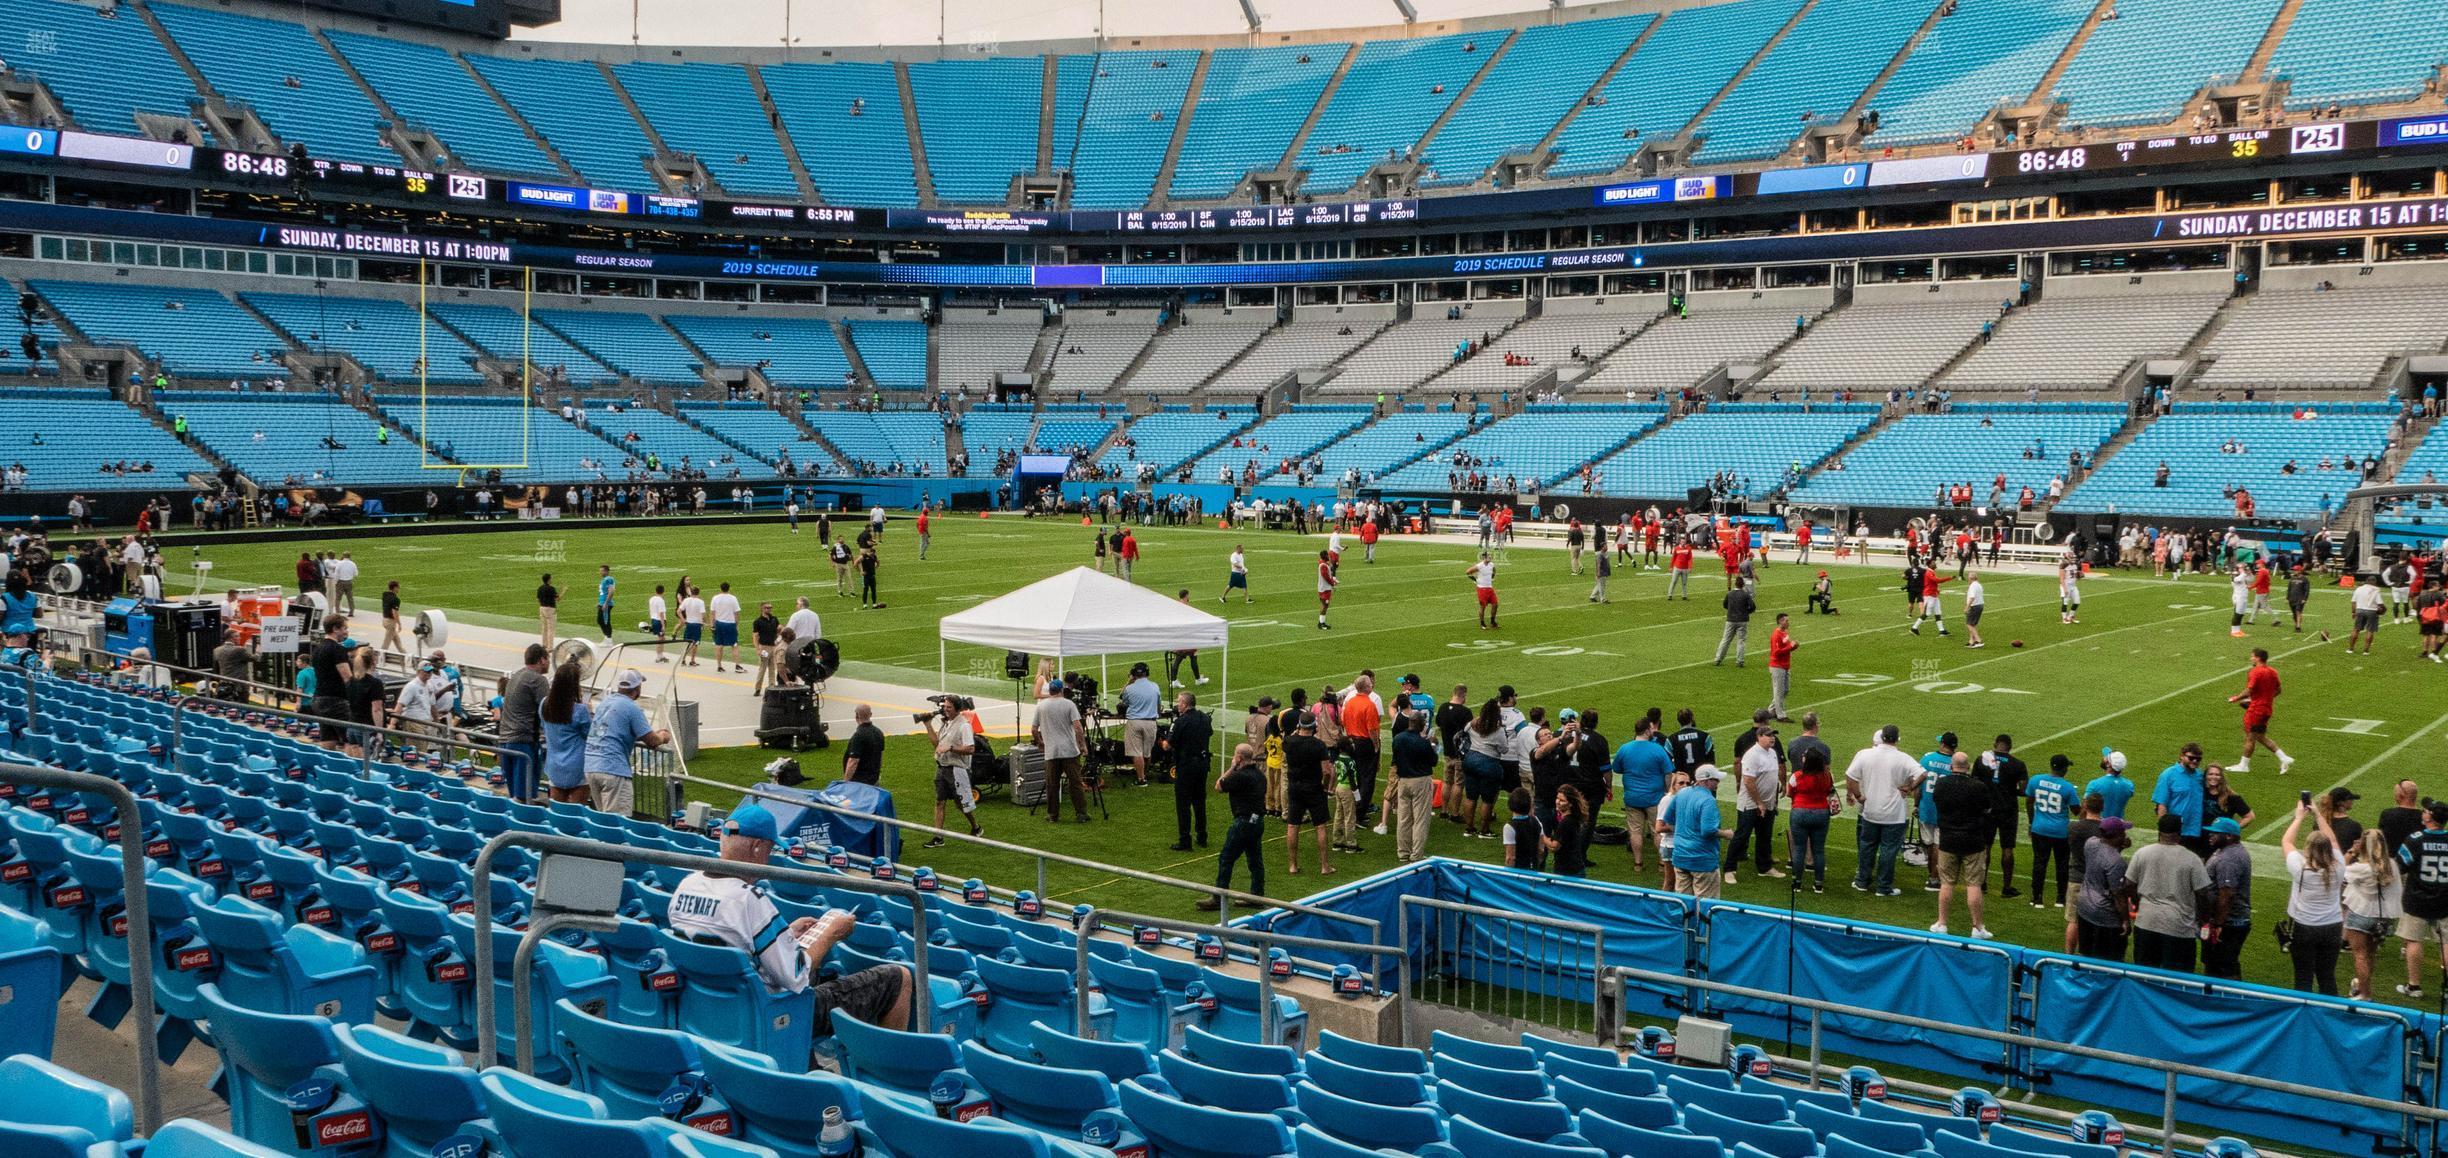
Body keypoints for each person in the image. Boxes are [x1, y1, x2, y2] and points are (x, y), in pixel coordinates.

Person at [669, 802, 914, 1037]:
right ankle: (886, 1072)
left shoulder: (687, 885)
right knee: (898, 977)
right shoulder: (749, 900)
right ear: (756, 847)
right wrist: (831, 934)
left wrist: (784, 933)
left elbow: (732, 941)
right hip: (772, 1012)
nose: (769, 856)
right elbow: (797, 978)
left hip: (713, 1004)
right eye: (769, 848)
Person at [2127, 814, 2211, 972]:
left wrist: (2137, 902)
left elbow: (2129, 883)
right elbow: (2203, 893)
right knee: (2177, 978)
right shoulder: (2191, 859)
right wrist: (2203, 918)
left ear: (2159, 831)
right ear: (2180, 832)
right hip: (2178, 926)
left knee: (2144, 975)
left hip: (2146, 921)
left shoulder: (2142, 853)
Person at [1845, 725, 1923, 896]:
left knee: (1867, 847)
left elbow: (1850, 776)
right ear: (1896, 739)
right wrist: (1909, 787)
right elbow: (1922, 774)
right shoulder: (1903, 758)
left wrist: (1858, 796)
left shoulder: (1864, 754)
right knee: (1888, 850)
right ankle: (1883, 887)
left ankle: (1862, 881)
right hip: (1894, 814)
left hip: (1870, 810)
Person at [583, 669, 671, 817]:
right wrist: (662, 736)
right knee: (617, 823)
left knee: (604, 820)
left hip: (591, 766)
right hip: (612, 769)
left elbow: (614, 732)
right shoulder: (632, 707)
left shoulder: (605, 703)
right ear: (637, 688)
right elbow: (652, 740)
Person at [2282, 800, 2346, 994]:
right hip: (2333, 926)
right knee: (2327, 975)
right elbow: (2333, 840)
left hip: (2305, 926)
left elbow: (2286, 841)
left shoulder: (2300, 868)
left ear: (2308, 849)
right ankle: (2330, 1015)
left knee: (2303, 976)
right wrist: (2318, 815)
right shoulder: (2339, 866)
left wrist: (2299, 817)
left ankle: (2303, 1018)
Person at [1931, 752, 1996, 939]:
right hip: (1973, 838)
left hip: (1948, 837)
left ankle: (1942, 923)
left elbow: (1938, 803)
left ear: (1952, 766)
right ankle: (1977, 926)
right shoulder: (1978, 786)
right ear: (1967, 767)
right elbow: (1987, 808)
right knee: (1974, 884)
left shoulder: (1942, 784)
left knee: (1946, 883)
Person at [1200, 744, 1268, 909]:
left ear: (1239, 758)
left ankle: (1218, 898)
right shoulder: (1260, 775)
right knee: (1255, 860)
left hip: (1243, 822)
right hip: (1257, 821)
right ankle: (1257, 896)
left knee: (1226, 858)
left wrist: (1231, 768)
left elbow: (1219, 786)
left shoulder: (1240, 776)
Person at [2397, 801, 2448, 998]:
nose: (2423, 812)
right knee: (2445, 942)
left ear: (2430, 818)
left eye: (2426, 811)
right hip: (2445, 899)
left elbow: (2400, 866)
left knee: (2413, 940)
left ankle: (2414, 986)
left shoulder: (2416, 839)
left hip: (2417, 899)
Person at [2345, 828, 2403, 1001]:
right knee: (2370, 954)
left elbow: (2341, 872)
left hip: (2361, 914)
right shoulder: (2392, 864)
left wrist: (2350, 853)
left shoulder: (2360, 868)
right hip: (2382, 918)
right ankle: (2362, 987)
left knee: (2360, 955)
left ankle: (2365, 994)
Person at [1724, 718, 1784, 884]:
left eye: (1773, 735)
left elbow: (1771, 775)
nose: (1772, 738)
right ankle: (1729, 868)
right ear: (1759, 737)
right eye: (1769, 735)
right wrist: (1759, 802)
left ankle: (1765, 867)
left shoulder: (1771, 753)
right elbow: (1749, 781)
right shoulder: (1751, 755)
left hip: (1768, 802)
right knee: (1742, 835)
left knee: (1765, 836)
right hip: (1751, 803)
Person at [1612, 717, 1671, 875]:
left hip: (1632, 797)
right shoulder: (1657, 749)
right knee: (1657, 831)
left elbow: (1616, 768)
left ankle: (1638, 862)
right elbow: (1667, 773)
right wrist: (1667, 792)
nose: (1653, 732)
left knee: (1635, 831)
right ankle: (1661, 863)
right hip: (1654, 797)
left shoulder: (1625, 748)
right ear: (1646, 731)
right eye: (1651, 729)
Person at [2073, 817, 2135, 961]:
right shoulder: (2117, 862)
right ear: (2118, 835)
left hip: (2084, 906)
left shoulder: (2090, 843)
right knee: (2110, 961)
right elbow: (2118, 896)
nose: (2125, 834)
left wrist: (2118, 847)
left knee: (2086, 955)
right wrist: (2125, 921)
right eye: (2123, 832)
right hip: (2105, 916)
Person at [1664, 764, 1730, 898]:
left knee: (1683, 904)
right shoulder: (1708, 800)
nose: (1718, 783)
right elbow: (1708, 830)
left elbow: (1668, 819)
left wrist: (1683, 832)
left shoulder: (1682, 793)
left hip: (1680, 856)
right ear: (1706, 781)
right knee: (1705, 906)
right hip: (1702, 859)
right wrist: (1726, 834)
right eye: (1715, 780)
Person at [1032, 679, 1092, 823]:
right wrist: (1083, 746)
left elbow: (1034, 729)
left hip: (1051, 752)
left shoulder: (1042, 707)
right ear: (1062, 690)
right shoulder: (1069, 704)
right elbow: (1078, 727)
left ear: (1050, 691)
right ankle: (1081, 813)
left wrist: (1041, 743)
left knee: (1052, 785)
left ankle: (1053, 815)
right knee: (1075, 783)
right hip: (1069, 751)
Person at [924, 695, 981, 845]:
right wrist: (928, 725)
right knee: (939, 802)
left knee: (962, 804)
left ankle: (975, 827)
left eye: (949, 707)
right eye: (944, 707)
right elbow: (937, 744)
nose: (945, 709)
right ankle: (938, 837)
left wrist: (951, 748)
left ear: (957, 708)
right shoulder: (946, 724)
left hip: (957, 770)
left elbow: (970, 749)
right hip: (942, 768)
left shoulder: (964, 726)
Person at [1283, 710, 1334, 877]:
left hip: (1295, 786)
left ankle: (1292, 865)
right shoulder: (1318, 745)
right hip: (1314, 787)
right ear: (1314, 726)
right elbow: (1326, 771)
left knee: (1292, 825)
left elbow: (1289, 736)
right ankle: (1325, 866)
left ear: (1299, 726)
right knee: (1320, 826)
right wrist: (1326, 787)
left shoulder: (1289, 742)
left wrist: (1297, 729)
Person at [2226, 647, 2293, 774]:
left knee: (2250, 737)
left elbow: (2249, 690)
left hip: (2256, 709)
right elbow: (2278, 690)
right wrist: (2266, 698)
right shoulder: (2273, 671)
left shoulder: (2255, 672)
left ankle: (2243, 766)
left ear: (2257, 658)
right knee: (2260, 736)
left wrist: (2236, 698)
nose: (2251, 658)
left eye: (2252, 656)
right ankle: (2283, 757)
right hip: (2267, 709)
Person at [2201, 816, 2253, 979]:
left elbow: (2227, 893)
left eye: (2215, 833)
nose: (2210, 836)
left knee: (2224, 965)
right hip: (2227, 921)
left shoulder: (2229, 859)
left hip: (2228, 924)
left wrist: (2218, 923)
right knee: (2216, 963)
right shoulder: (2225, 851)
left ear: (2229, 836)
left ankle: (2229, 1000)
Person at [2027, 754, 2080, 907]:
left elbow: (2029, 802)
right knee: (2062, 865)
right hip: (2061, 832)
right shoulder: (2067, 787)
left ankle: (2037, 898)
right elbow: (2076, 810)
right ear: (2064, 769)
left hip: (2039, 828)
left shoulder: (2036, 780)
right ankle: (2060, 899)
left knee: (2039, 862)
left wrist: (2032, 822)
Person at [499, 643, 549, 804]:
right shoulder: (538, 680)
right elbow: (547, 711)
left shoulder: (516, 676)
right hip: (523, 743)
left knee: (515, 796)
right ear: (542, 660)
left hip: (505, 742)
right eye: (547, 659)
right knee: (524, 798)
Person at [538, 660, 592, 805]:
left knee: (558, 813)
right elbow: (590, 735)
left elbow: (544, 725)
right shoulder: (580, 710)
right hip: (577, 768)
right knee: (576, 815)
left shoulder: (545, 704)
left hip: (554, 766)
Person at [1165, 692, 1213, 851]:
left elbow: (1168, 745)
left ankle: (1185, 839)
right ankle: (1202, 835)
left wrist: (1163, 741)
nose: (1178, 705)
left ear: (1185, 704)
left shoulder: (1181, 722)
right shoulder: (1204, 718)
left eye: (1179, 702)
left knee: (1183, 803)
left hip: (1186, 766)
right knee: (1199, 801)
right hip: (1202, 763)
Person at [1389, 712, 1438, 862]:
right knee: (1420, 819)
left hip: (1403, 780)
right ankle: (1416, 854)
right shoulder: (1423, 742)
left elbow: (1396, 758)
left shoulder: (1398, 739)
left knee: (1403, 818)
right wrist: (1433, 745)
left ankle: (1403, 852)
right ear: (1422, 725)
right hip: (1420, 781)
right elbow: (1433, 761)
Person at [305, 613, 354, 750]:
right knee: (352, 740)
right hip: (336, 701)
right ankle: (356, 771)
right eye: (344, 628)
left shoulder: (318, 649)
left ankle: (327, 769)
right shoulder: (337, 649)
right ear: (335, 629)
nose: (346, 632)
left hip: (318, 699)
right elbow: (347, 678)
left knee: (328, 739)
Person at [2151, 742, 2207, 852]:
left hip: (2195, 830)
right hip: (2175, 831)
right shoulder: (2168, 775)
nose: (2195, 761)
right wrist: (2164, 831)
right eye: (2191, 758)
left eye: (2198, 759)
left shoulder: (2200, 776)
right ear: (2182, 756)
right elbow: (2161, 805)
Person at [1118, 662, 1163, 787]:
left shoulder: (1130, 688)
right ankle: (1144, 773)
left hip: (1135, 721)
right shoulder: (1155, 686)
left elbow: (1122, 700)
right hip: (1151, 722)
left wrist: (1129, 682)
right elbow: (1158, 705)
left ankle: (1141, 778)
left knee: (1136, 752)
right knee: (1147, 752)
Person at [1546, 785, 1593, 876]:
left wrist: (1542, 836)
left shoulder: (1566, 822)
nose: (1557, 802)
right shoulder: (1573, 818)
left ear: (1571, 804)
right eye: (1557, 798)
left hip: (1568, 871)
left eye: (1562, 800)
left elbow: (1554, 847)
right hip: (1574, 868)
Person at [841, 704, 885, 785]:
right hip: (873, 779)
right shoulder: (879, 733)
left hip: (859, 782)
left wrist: (846, 782)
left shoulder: (858, 736)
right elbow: (880, 757)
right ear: (871, 715)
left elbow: (853, 761)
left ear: (856, 716)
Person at [1714, 578, 1755, 666]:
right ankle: (1740, 661)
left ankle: (1718, 659)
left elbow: (1725, 605)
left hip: (1730, 620)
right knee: (1741, 641)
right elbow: (1752, 606)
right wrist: (1747, 612)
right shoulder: (1745, 594)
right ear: (1743, 585)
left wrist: (1731, 610)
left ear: (1735, 584)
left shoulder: (1729, 594)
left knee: (1725, 640)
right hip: (1743, 620)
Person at [2086, 749, 2136, 820]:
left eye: (2106, 757)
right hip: (2119, 827)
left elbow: (2085, 808)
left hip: (2100, 826)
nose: (2104, 757)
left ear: (2109, 764)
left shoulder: (2094, 784)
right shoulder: (2129, 785)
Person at [1766, 613, 1796, 721]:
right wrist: (1790, 646)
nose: (1788, 622)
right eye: (1786, 621)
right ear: (1780, 621)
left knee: (1785, 690)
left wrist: (1793, 647)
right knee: (1779, 690)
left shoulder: (1784, 633)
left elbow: (1786, 648)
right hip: (1777, 666)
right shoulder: (1776, 635)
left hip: (1785, 665)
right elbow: (1776, 652)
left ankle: (1771, 710)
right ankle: (1781, 715)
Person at [709, 582, 743, 673]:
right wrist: (736, 625)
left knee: (719, 645)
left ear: (721, 588)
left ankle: (719, 666)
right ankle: (737, 665)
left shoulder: (715, 598)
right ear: (729, 588)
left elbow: (712, 613)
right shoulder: (733, 598)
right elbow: (737, 613)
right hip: (730, 623)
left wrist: (712, 624)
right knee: (734, 645)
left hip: (719, 623)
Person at [750, 602, 782, 694]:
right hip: (764, 647)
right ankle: (758, 688)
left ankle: (771, 687)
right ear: (762, 609)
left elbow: (778, 630)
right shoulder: (758, 622)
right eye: (767, 608)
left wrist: (778, 639)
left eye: (770, 607)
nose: (769, 609)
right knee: (762, 669)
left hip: (773, 647)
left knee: (772, 669)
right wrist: (758, 649)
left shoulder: (774, 619)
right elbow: (755, 636)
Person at [2349, 573, 2385, 655]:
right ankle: (2365, 651)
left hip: (2359, 610)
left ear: (2366, 581)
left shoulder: (2359, 589)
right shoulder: (2376, 590)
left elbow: (2353, 602)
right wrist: (2384, 609)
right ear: (2375, 582)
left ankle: (2350, 649)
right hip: (2371, 611)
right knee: (2370, 631)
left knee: (2356, 629)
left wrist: (2353, 612)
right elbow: (2380, 603)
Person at [1468, 552, 1500, 629]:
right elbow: (1468, 572)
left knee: (1495, 604)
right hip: (1482, 588)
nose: (1490, 557)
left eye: (1490, 556)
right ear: (1484, 558)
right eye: (1489, 556)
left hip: (1490, 588)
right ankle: (1482, 623)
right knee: (1483, 606)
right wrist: (1475, 579)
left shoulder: (1491, 565)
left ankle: (1492, 622)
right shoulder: (1479, 566)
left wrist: (1492, 577)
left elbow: (1494, 571)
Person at [380, 580, 405, 653]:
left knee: (398, 642)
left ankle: (404, 656)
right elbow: (395, 612)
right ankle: (379, 659)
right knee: (385, 644)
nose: (399, 589)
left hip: (385, 620)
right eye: (398, 587)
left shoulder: (385, 594)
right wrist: (399, 624)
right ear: (394, 588)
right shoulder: (396, 599)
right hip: (391, 623)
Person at [536, 573, 559, 652]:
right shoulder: (551, 588)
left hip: (542, 608)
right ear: (549, 579)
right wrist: (564, 591)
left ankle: (544, 644)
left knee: (544, 627)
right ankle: (550, 647)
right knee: (550, 629)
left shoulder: (540, 588)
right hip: (550, 609)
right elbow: (557, 599)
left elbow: (538, 599)